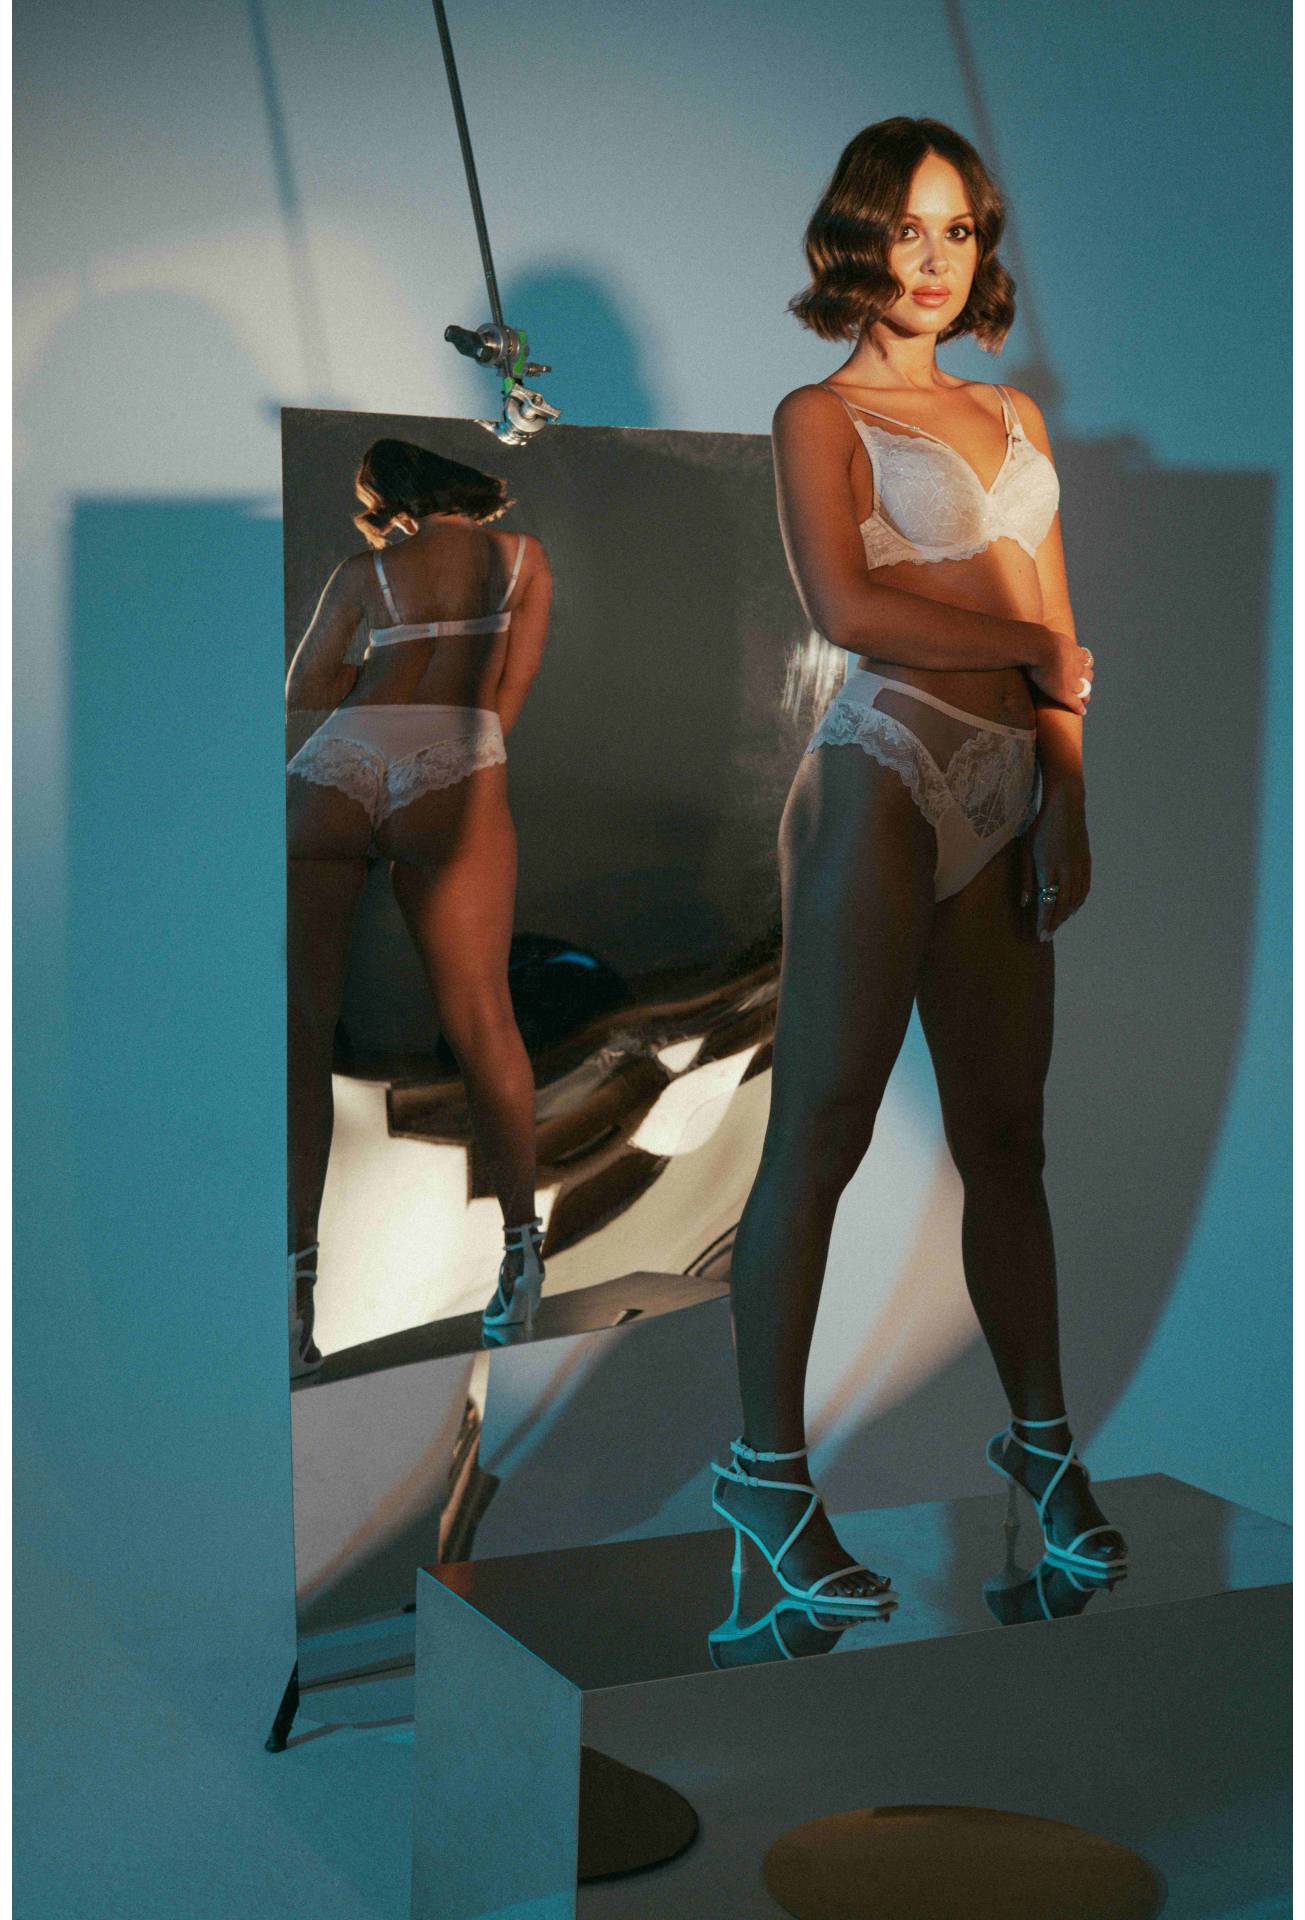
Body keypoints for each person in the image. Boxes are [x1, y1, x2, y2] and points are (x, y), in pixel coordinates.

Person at [711, 117, 1127, 1608]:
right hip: (885, 767)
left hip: (1011, 783)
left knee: (1008, 1142)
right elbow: (850, 610)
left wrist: (1065, 788)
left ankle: (1043, 1447)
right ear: (857, 239)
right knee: (819, 1129)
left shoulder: (1012, 414)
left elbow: (1056, 632)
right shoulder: (818, 415)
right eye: (908, 229)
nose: (936, 260)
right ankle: (765, 1480)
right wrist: (1032, 652)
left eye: (959, 230)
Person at [285, 438, 553, 1373]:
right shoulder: (522, 558)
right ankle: (522, 1257)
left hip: (339, 759)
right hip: (455, 750)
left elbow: (303, 689)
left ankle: (293, 1296)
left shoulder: (365, 570)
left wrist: (381, 683)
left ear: (391, 495)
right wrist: (458, 751)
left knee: (302, 1029)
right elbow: (509, 691)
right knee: (482, 1018)